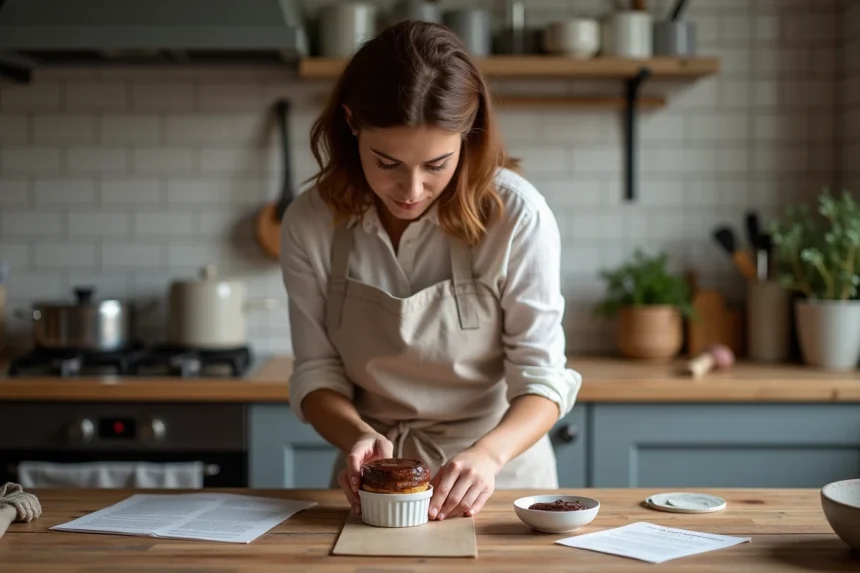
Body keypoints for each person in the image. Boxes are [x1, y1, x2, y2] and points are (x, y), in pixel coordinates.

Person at [280, 20, 582, 522]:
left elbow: (542, 380)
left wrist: (487, 455)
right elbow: (316, 374)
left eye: (436, 165)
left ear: (469, 134)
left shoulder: (516, 216)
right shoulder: (310, 221)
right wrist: (358, 436)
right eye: (387, 162)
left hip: (499, 485)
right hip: (373, 486)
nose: (412, 189)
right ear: (352, 122)